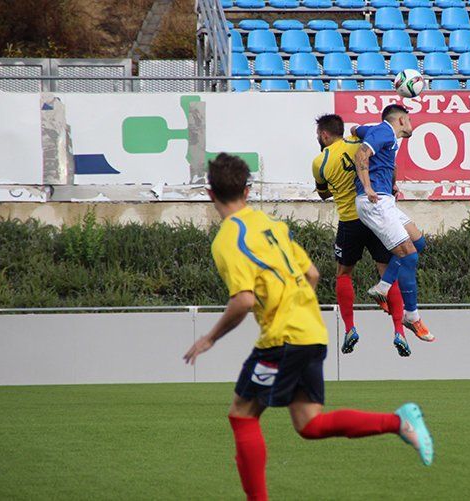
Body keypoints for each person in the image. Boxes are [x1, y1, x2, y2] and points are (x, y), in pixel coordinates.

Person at [183, 153, 433, 501]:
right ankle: (399, 421)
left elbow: (242, 301)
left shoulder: (227, 238)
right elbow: (312, 274)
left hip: (283, 337)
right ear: (249, 189)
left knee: (242, 414)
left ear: (211, 194)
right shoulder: (269, 225)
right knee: (309, 424)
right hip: (312, 331)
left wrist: (209, 338)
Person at [311, 114, 411, 357]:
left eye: (318, 136)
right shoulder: (358, 143)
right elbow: (390, 165)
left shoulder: (320, 161)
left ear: (324, 135)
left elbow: (323, 194)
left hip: (350, 220)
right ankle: (399, 331)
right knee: (386, 274)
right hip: (375, 215)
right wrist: (391, 185)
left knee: (343, 274)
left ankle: (350, 328)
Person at [352, 105, 434, 343]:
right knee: (409, 256)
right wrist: (367, 186)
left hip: (385, 199)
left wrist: (392, 183)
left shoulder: (379, 132)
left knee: (418, 242)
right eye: (408, 119)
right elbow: (361, 154)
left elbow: (357, 130)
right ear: (400, 120)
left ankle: (384, 286)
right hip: (375, 202)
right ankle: (412, 316)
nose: (411, 124)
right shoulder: (385, 131)